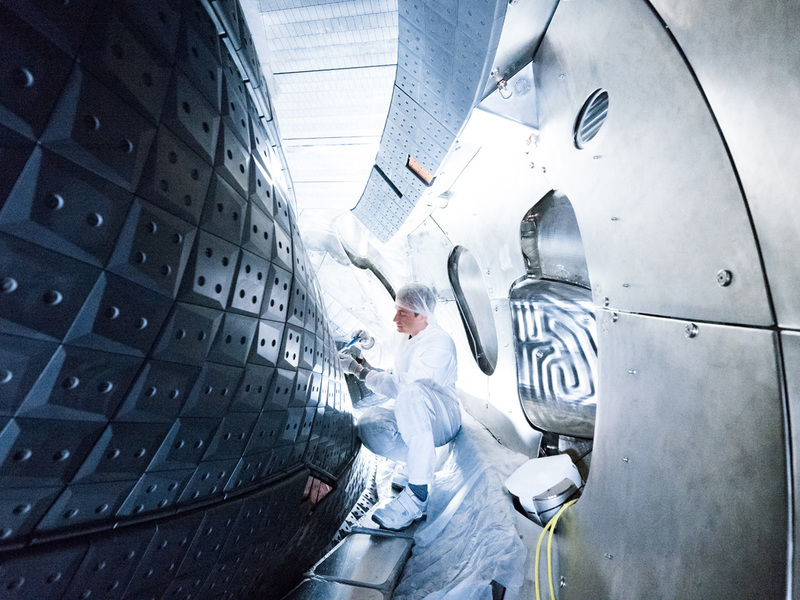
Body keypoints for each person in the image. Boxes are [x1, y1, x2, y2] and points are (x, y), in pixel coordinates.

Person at [340, 283, 461, 530]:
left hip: (443, 417)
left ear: (422, 315)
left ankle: (417, 497)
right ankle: (418, 463)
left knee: (411, 393)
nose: (395, 317)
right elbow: (386, 355)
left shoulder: (439, 344)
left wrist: (359, 371)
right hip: (415, 410)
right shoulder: (405, 333)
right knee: (371, 425)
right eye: (396, 310)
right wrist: (369, 343)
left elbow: (402, 387)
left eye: (402, 313)